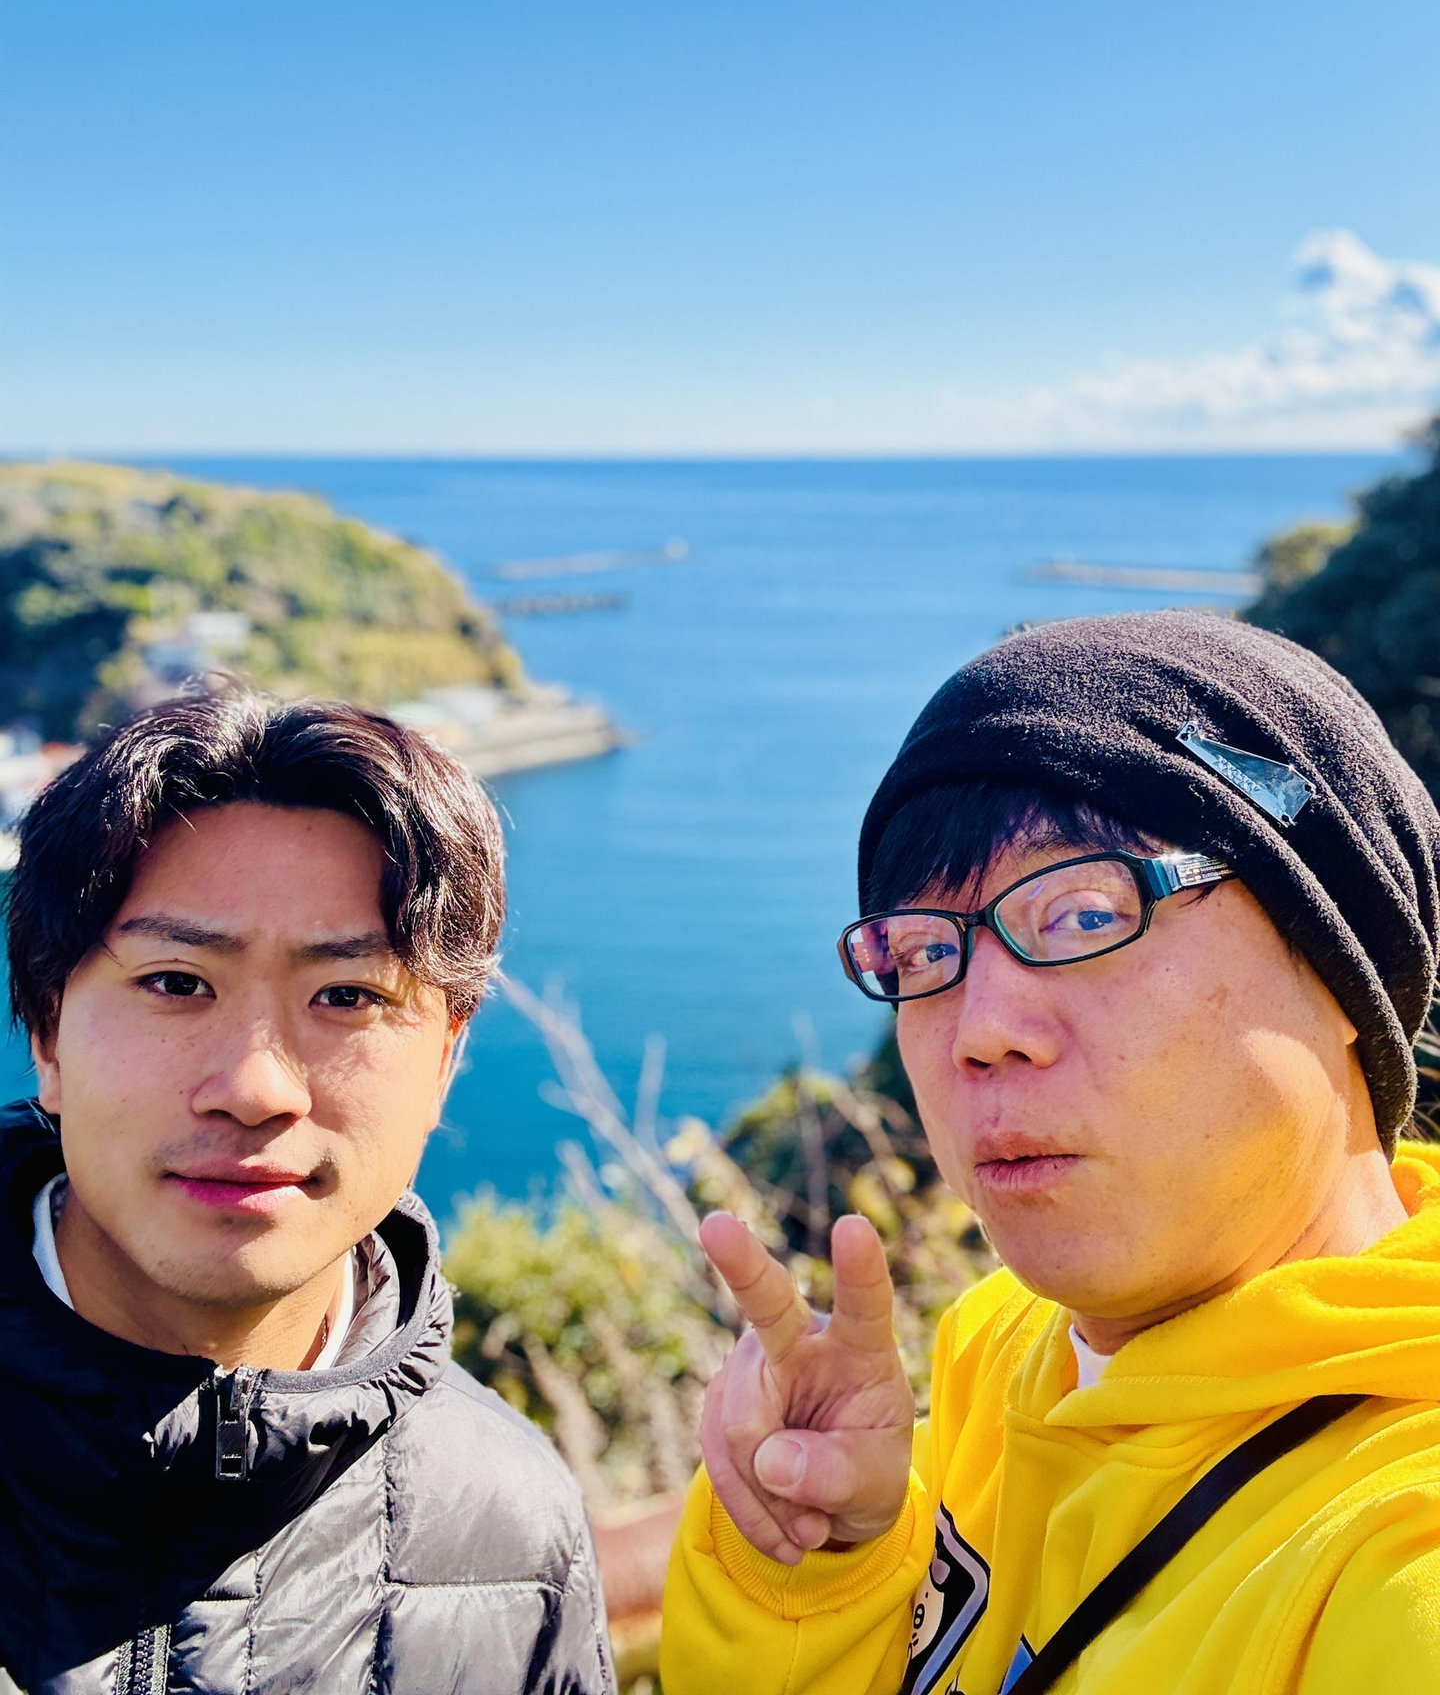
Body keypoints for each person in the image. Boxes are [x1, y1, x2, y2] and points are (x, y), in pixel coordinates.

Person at [662, 611, 1440, 1694]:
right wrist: (821, 1568)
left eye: (1083, 915)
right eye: (922, 951)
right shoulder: (1001, 1353)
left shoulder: (1401, 1554)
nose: (980, 1029)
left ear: (1342, 964)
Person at [0, 688, 613, 1695]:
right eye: (176, 982)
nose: (255, 1089)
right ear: (47, 1036)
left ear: (446, 1063)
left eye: (347, 996)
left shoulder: (509, 1527)